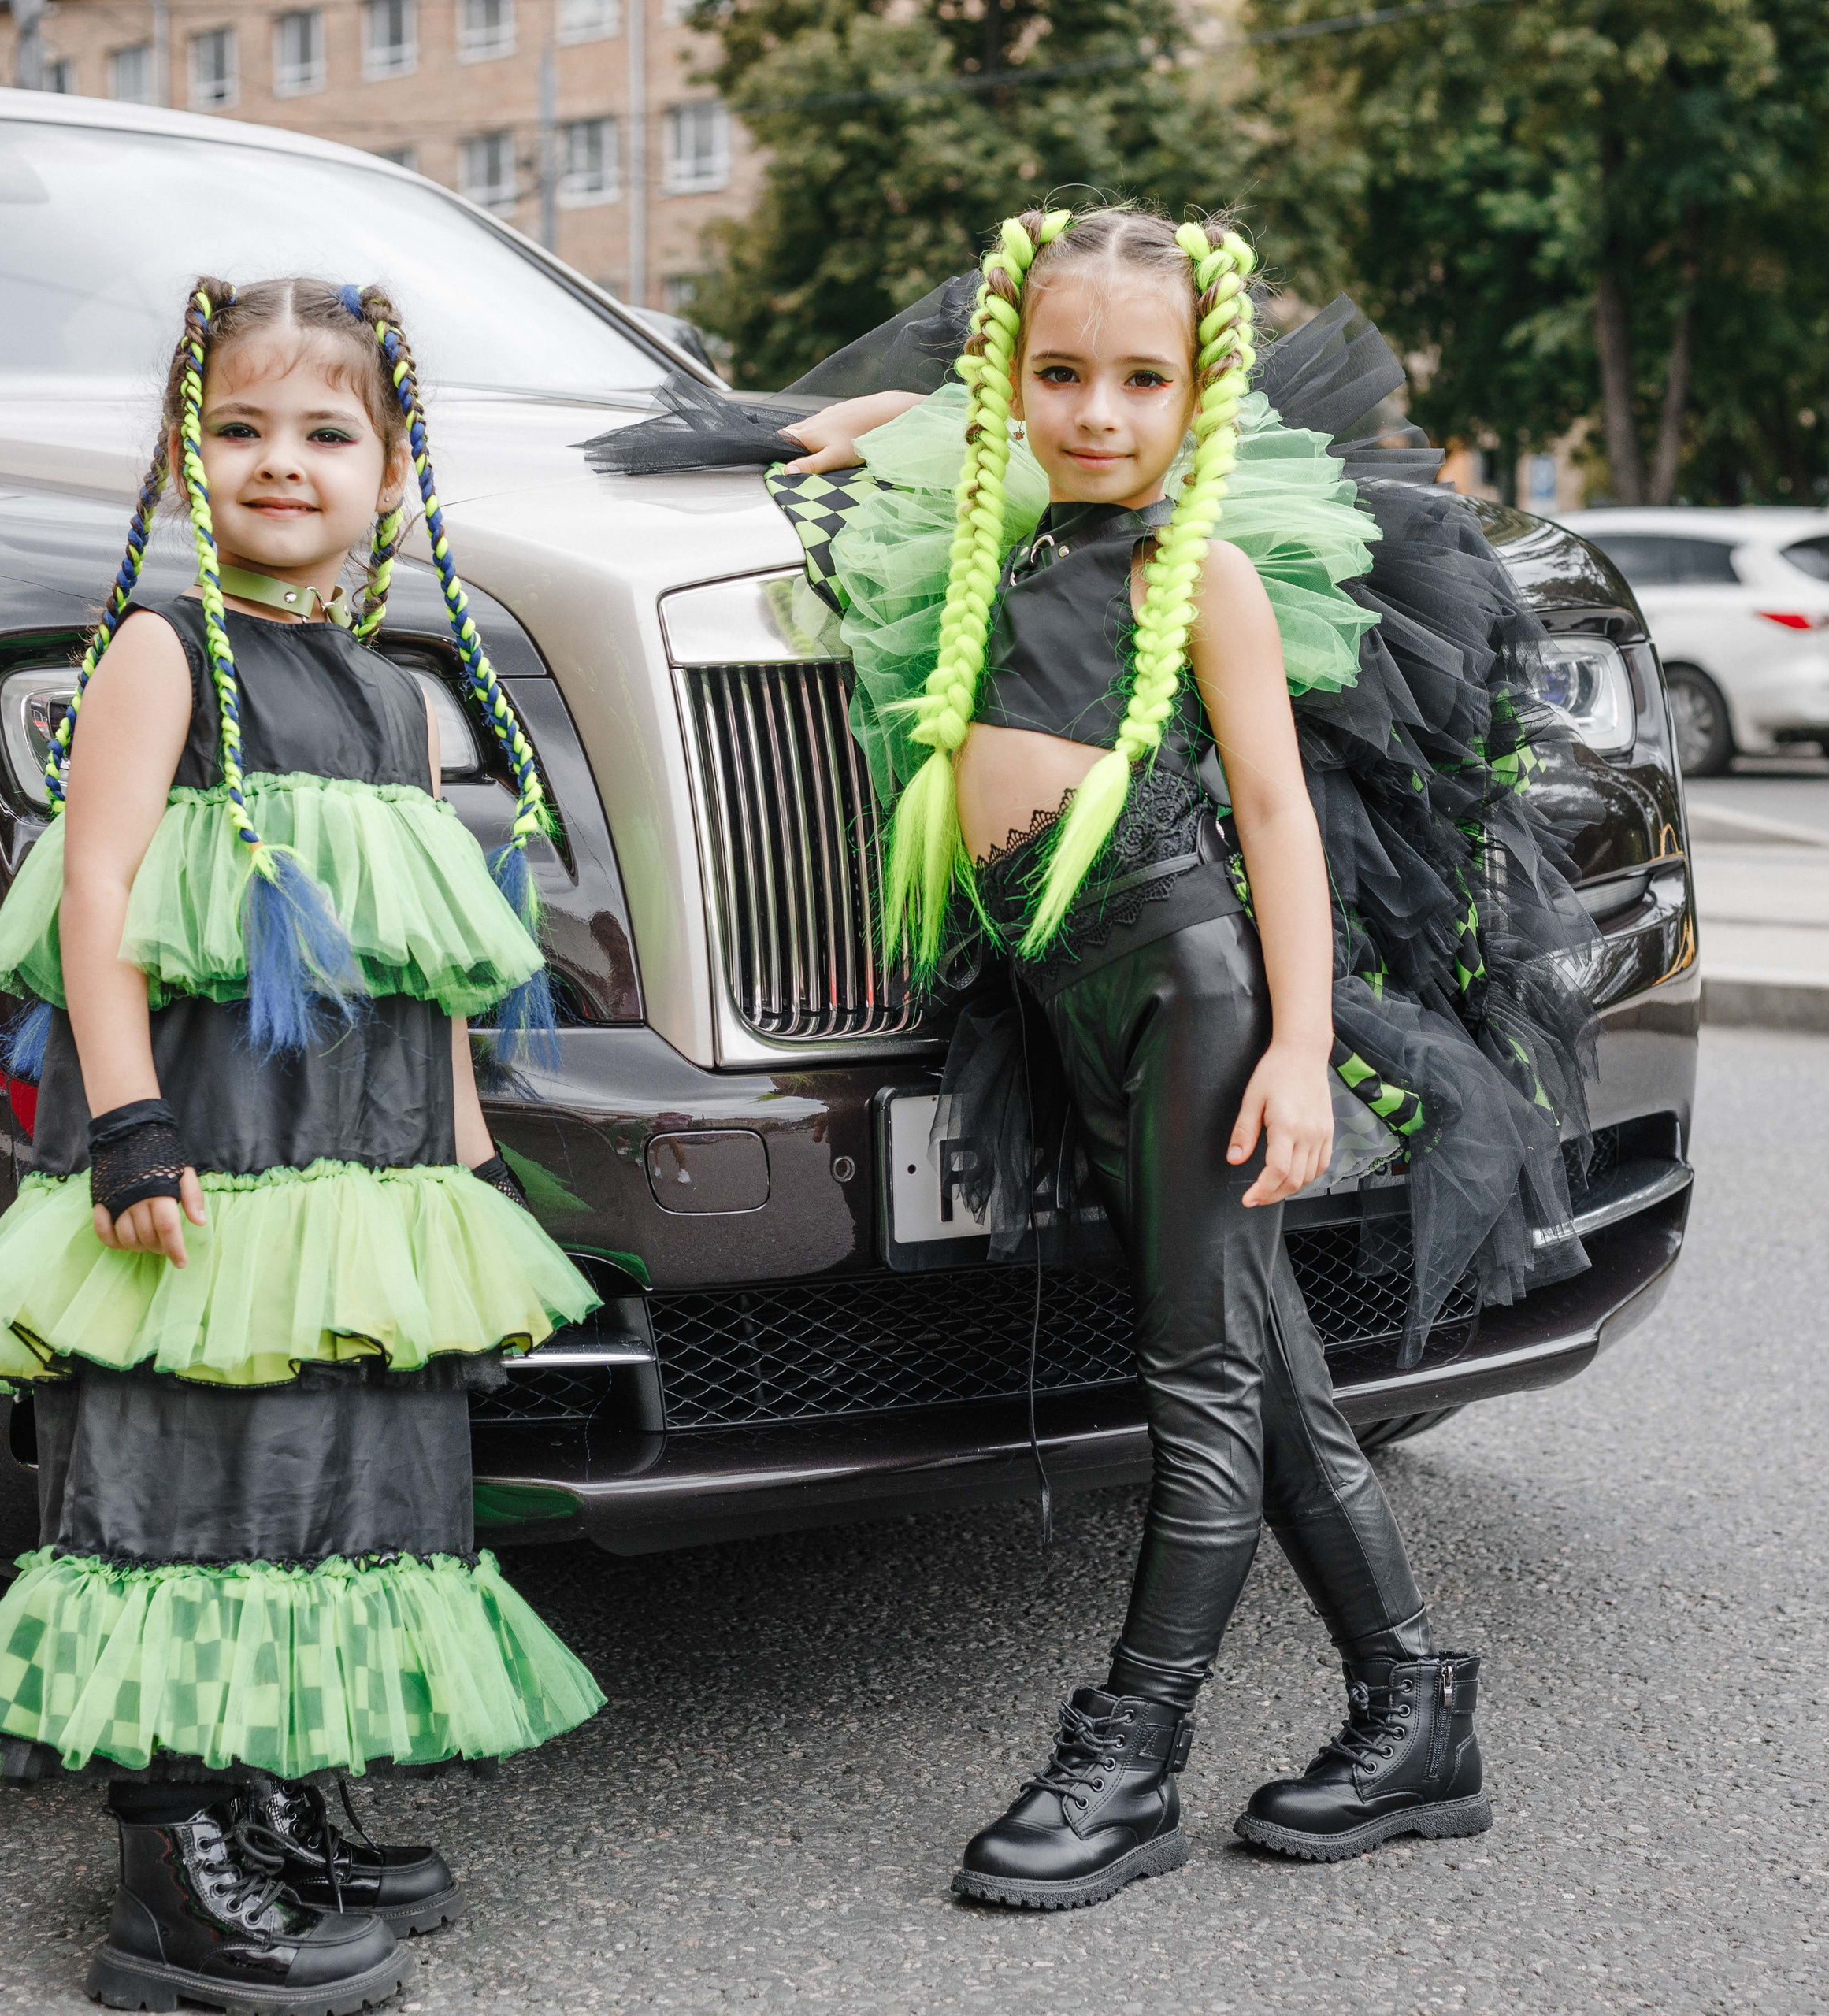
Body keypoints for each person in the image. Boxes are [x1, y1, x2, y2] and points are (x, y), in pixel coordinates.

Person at [580, 206, 1600, 1911]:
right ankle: (1413, 1709)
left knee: (1197, 1384)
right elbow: (930, 428)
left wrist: (1290, 1050)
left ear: (1202, 401)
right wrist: (857, 421)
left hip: (1184, 984)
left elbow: (1275, 816)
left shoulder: (1188, 572)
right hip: (1078, 989)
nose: (1099, 414)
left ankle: (1130, 1750)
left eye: (1143, 381)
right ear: (1009, 381)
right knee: (1262, 1371)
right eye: (1061, 375)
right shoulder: (1010, 529)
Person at [0, 277, 605, 2011]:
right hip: (210, 1165)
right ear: (188, 461)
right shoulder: (164, 654)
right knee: (196, 1470)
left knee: (333, 1465)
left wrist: (464, 1177)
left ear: (390, 475)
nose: (281, 462)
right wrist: (127, 1124)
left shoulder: (395, 696)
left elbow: (427, 965)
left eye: (326, 433)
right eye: (240, 428)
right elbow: (92, 900)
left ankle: (275, 1783)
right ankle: (176, 1869)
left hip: (358, 1173)